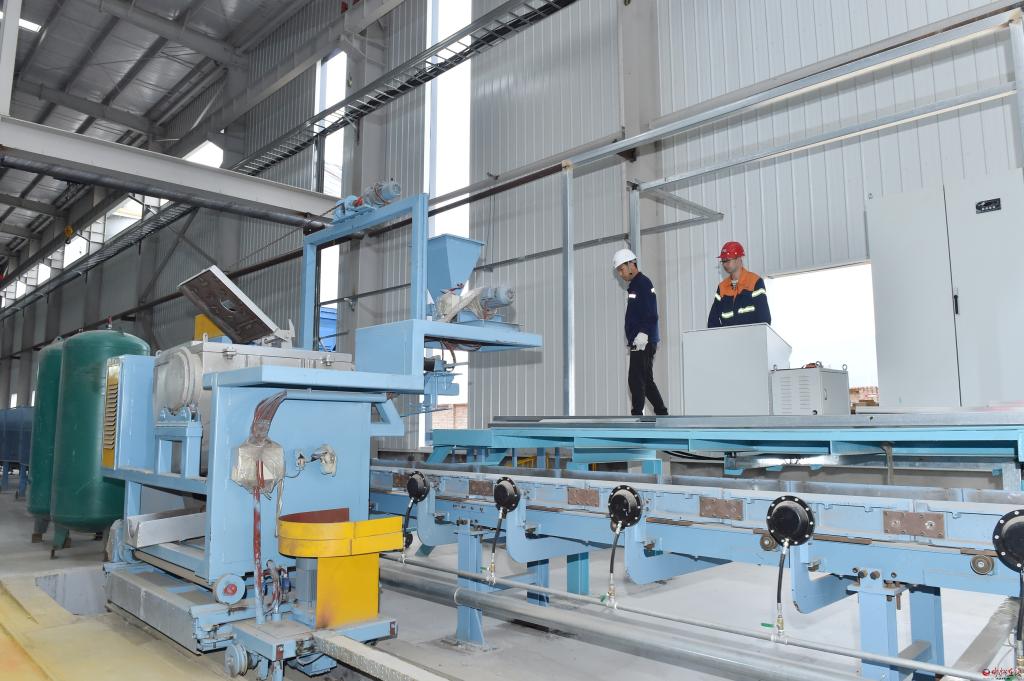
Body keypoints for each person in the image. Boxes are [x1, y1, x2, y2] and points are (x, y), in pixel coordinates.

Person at [612, 248, 668, 416]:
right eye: (618, 271)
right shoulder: (635, 286)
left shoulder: (643, 283)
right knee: (646, 380)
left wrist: (643, 333)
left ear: (631, 264)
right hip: (640, 340)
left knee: (636, 379)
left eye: (621, 269)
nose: (620, 274)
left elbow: (651, 312)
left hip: (643, 340)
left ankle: (637, 416)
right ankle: (662, 414)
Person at [707, 241, 771, 327]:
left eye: (727, 260)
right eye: (723, 261)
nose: (725, 264)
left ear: (738, 259)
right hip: (729, 336)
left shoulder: (755, 282)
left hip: (751, 335)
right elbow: (712, 321)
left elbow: (765, 319)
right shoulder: (722, 287)